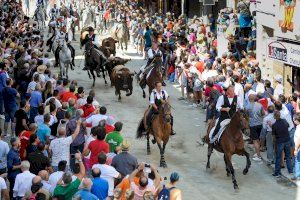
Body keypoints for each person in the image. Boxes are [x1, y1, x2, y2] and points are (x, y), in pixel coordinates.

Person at [272, 111, 293, 177]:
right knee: (288, 156)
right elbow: (288, 126)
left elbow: (273, 137)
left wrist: (274, 143)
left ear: (274, 117)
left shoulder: (274, 125)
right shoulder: (284, 121)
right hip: (287, 140)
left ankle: (277, 172)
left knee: (278, 157)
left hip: (280, 142)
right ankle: (290, 170)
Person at [245, 94, 265, 161]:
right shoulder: (260, 105)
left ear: (249, 99)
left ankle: (258, 156)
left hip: (253, 125)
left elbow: (246, 116)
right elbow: (263, 114)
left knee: (255, 141)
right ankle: (257, 152)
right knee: (258, 139)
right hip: (260, 124)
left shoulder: (247, 107)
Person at [293, 113, 300, 180]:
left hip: (299, 148)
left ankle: (297, 175)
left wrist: (296, 149)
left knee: (297, 161)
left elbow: (298, 139)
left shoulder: (298, 129)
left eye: (294, 119)